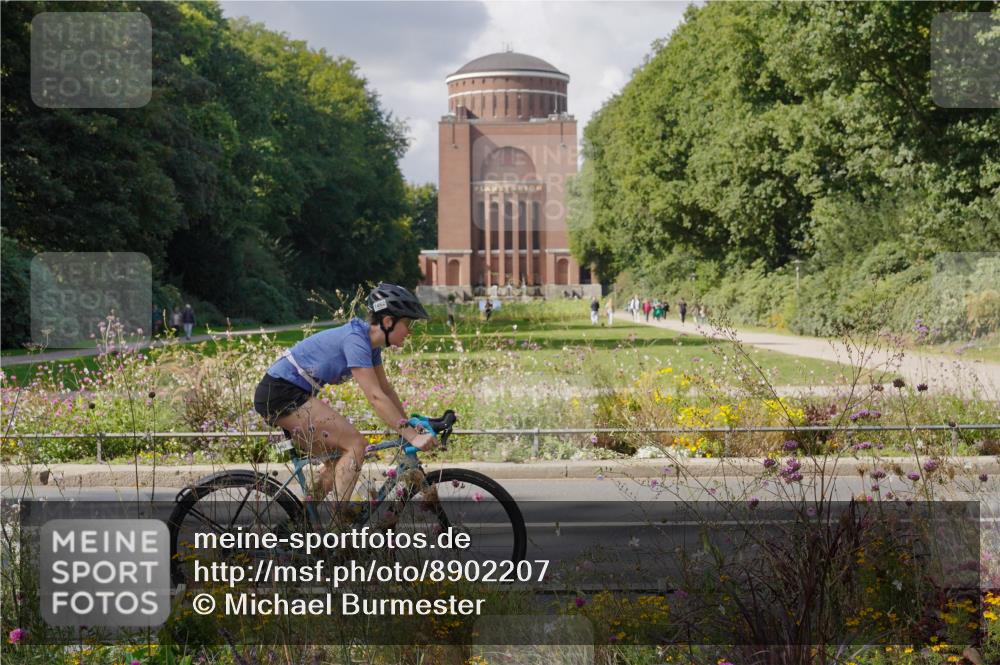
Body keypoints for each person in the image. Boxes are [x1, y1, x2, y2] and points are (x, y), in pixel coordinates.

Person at [253, 283, 436, 508]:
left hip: (288, 392)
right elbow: (375, 396)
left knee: (338, 461)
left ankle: (303, 521)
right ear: (388, 322)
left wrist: (409, 426)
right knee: (355, 445)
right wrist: (412, 437)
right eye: (407, 324)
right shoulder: (356, 340)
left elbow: (386, 389)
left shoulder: (371, 345)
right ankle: (339, 530)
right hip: (281, 392)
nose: (410, 331)